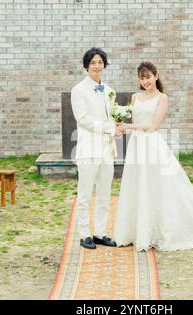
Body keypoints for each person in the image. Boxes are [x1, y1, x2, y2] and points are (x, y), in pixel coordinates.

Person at [114, 61, 193, 251]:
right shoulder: (135, 97)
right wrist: (122, 129)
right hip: (137, 146)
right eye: (142, 78)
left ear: (156, 76)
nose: (145, 81)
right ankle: (138, 231)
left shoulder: (162, 98)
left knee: (158, 185)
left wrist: (128, 127)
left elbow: (152, 126)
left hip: (152, 145)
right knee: (138, 184)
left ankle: (161, 229)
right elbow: (136, 124)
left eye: (148, 77)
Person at [71, 47, 122, 249]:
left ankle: (100, 232)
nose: (97, 66)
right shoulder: (79, 90)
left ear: (104, 65)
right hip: (88, 150)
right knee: (84, 195)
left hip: (107, 151)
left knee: (104, 194)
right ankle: (84, 234)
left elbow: (112, 117)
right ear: (86, 66)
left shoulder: (109, 91)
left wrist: (117, 126)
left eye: (100, 62)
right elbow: (83, 120)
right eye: (93, 62)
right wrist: (109, 127)